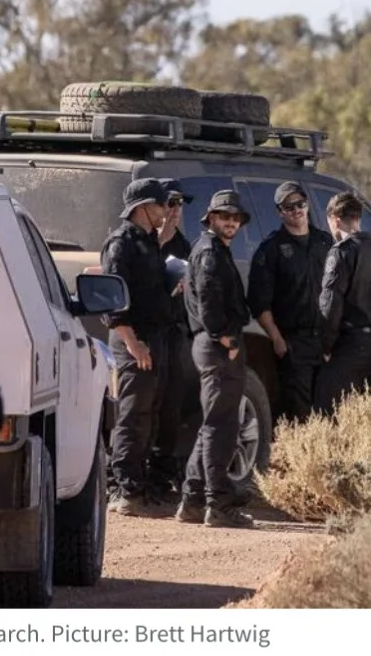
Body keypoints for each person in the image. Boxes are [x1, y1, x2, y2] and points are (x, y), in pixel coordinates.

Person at [175, 190, 256, 529]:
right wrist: (227, 337)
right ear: (211, 218)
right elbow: (208, 298)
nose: (231, 222)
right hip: (217, 345)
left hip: (212, 345)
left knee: (213, 424)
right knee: (221, 427)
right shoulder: (209, 252)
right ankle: (218, 505)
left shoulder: (212, 248)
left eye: (236, 218)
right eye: (225, 216)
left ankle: (193, 501)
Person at [100, 177, 178, 515]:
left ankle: (140, 487)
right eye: (161, 204)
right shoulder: (121, 244)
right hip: (133, 340)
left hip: (154, 337)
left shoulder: (148, 241)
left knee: (150, 414)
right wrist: (133, 344)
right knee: (133, 415)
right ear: (143, 207)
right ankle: (124, 490)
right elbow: (112, 301)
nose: (166, 210)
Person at [247, 180, 335, 423]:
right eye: (289, 206)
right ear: (280, 212)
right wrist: (277, 339)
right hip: (294, 343)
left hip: (327, 342)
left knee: (330, 411)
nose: (296, 210)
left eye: (300, 204)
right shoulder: (271, 249)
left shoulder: (325, 243)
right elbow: (259, 302)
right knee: (300, 413)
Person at [315, 192, 371, 412]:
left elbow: (330, 304)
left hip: (353, 344)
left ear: (335, 219)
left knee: (327, 407)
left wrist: (326, 346)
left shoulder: (341, 252)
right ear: (358, 217)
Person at [147, 179, 194, 500]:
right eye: (170, 203)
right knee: (143, 407)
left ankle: (163, 475)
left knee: (172, 407)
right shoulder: (142, 241)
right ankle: (136, 477)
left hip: (176, 333)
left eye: (180, 204)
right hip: (146, 335)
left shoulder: (184, 245)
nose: (176, 210)